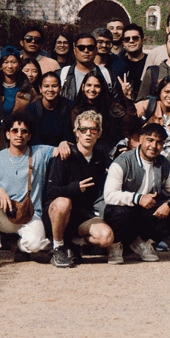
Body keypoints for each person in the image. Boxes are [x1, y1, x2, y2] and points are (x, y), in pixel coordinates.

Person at [103, 123, 170, 263]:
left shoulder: (164, 164)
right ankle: (115, 245)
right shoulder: (123, 161)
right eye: (150, 140)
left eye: (159, 142)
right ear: (141, 139)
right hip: (122, 214)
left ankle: (142, 242)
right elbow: (109, 195)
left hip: (145, 214)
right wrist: (138, 198)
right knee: (120, 211)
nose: (154, 146)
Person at [0, 114, 52, 267]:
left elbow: (63, 149)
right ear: (8, 134)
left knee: (36, 246)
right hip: (5, 214)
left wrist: (63, 143)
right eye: (15, 131)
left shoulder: (40, 152)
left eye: (24, 131)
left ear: (29, 135)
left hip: (30, 214)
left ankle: (21, 247)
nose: (19, 135)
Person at [45, 110, 115, 268]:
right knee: (63, 203)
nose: (88, 134)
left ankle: (72, 244)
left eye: (93, 130)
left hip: (82, 215)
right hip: (57, 214)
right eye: (83, 129)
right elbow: (50, 191)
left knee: (106, 237)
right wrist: (74, 188)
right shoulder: (64, 155)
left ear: (99, 133)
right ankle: (58, 247)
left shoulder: (100, 158)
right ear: (77, 132)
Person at [64, 70, 132, 146]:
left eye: (97, 86)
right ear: (83, 87)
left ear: (102, 88)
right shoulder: (76, 110)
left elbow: (131, 124)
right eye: (89, 85)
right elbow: (78, 137)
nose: (92, 89)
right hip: (86, 149)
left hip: (110, 149)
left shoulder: (112, 106)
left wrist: (128, 98)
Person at [135, 76, 170, 168]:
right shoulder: (147, 106)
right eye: (166, 92)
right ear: (160, 92)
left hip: (168, 166)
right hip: (143, 163)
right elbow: (126, 124)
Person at [23, 71, 69, 149]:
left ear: (60, 88)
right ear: (40, 88)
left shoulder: (68, 106)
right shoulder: (31, 109)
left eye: (54, 86)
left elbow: (69, 135)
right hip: (38, 152)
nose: (50, 89)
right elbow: (32, 139)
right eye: (46, 86)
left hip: (62, 152)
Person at [59, 32, 109, 100]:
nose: (86, 51)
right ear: (74, 50)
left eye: (90, 48)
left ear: (96, 50)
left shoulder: (107, 75)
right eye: (81, 48)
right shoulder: (62, 75)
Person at [118, 23, 148, 96]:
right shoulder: (118, 64)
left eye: (135, 38)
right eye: (127, 39)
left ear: (143, 41)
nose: (131, 41)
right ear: (123, 44)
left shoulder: (151, 61)